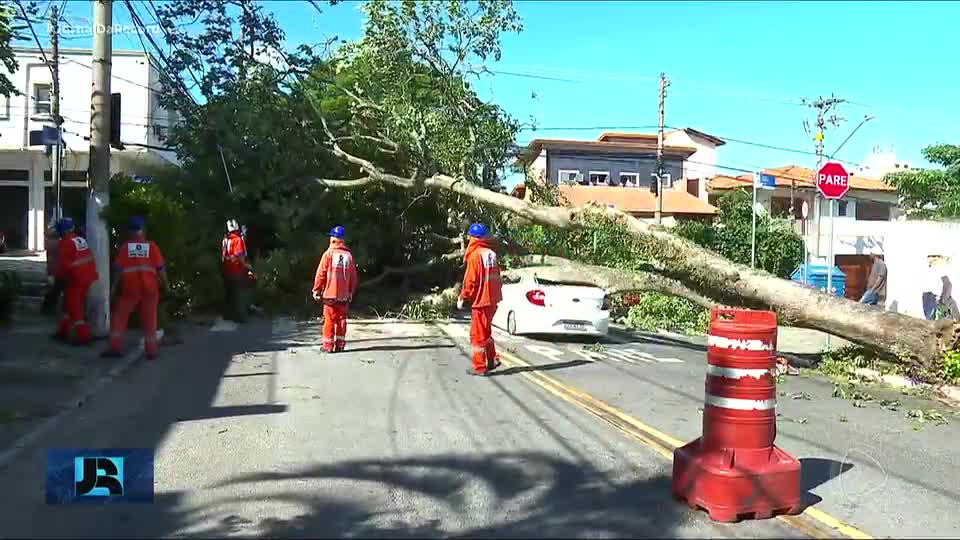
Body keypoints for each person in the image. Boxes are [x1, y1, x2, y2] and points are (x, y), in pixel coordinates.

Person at [101, 216, 168, 361]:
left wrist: (113, 289)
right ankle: (151, 351)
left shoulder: (126, 248)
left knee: (120, 317)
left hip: (130, 289)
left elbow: (118, 270)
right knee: (150, 319)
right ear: (143, 230)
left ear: (130, 231)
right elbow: (160, 269)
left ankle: (115, 347)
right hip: (150, 288)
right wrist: (166, 285)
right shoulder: (152, 246)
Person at [457, 222, 503, 376]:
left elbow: (471, 280)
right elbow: (497, 277)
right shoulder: (491, 254)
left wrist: (463, 297)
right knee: (486, 331)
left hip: (481, 301)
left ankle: (479, 367)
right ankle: (491, 359)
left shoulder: (475, 255)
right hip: (493, 300)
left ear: (472, 238)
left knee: (477, 335)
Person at [312, 225, 358, 353]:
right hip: (343, 296)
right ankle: (340, 345)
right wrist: (350, 292)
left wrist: (316, 289)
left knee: (329, 320)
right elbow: (354, 277)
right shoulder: (349, 256)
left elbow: (321, 273)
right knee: (342, 321)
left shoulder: (328, 254)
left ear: (334, 238)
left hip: (329, 295)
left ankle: (328, 346)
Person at [52, 217, 98, 345]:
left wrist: (57, 278)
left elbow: (64, 265)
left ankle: (84, 336)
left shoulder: (65, 243)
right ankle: (63, 330)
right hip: (87, 276)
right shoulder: (80, 239)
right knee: (69, 304)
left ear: (62, 230)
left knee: (74, 306)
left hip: (75, 279)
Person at [221, 219, 253, 322]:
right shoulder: (238, 240)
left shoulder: (225, 240)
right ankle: (240, 317)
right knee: (239, 294)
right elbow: (240, 256)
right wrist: (247, 266)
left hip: (226, 269)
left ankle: (228, 315)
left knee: (229, 294)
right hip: (236, 270)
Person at [42, 218, 64, 315]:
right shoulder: (57, 243)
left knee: (53, 289)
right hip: (55, 270)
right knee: (54, 290)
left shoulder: (51, 242)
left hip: (53, 270)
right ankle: (47, 309)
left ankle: (47, 308)